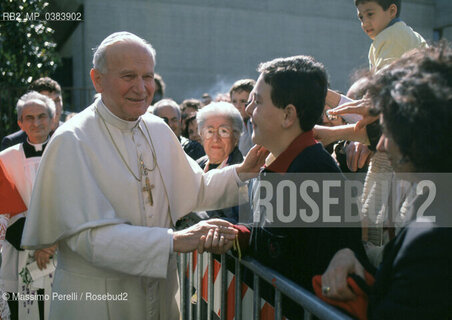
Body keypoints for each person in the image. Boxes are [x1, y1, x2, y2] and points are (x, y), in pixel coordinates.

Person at [21, 31, 266, 320]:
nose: (141, 88)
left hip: (159, 295)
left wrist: (242, 172)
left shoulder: (157, 129)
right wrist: (173, 240)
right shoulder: (72, 140)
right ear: (97, 79)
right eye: (128, 76)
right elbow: (88, 239)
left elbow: (195, 188)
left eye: (147, 76)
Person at [205, 56, 368, 318]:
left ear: (288, 114)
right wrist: (238, 236)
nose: (248, 110)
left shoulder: (315, 174)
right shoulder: (273, 164)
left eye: (257, 102)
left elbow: (321, 279)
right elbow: (281, 245)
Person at [319, 44, 452, 320]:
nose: (379, 145)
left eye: (386, 129)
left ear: (418, 132)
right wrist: (358, 267)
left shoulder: (431, 243)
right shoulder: (434, 203)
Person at [0, 91, 57, 320]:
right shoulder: (5, 159)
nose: (36, 123)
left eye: (42, 116)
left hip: (61, 251)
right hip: (19, 252)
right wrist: (35, 245)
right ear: (20, 123)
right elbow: (5, 210)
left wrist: (51, 244)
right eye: (29, 117)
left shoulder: (69, 153)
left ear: (52, 120)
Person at [355, 0, 427, 72]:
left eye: (370, 14)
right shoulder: (400, 33)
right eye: (361, 17)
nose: (364, 23)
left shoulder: (394, 37)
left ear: (392, 11)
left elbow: (384, 78)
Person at [1, 77, 64, 151]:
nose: (54, 107)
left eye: (57, 101)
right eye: (47, 102)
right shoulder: (12, 142)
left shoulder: (73, 134)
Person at [229, 79, 255, 156]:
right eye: (234, 101)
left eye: (243, 101)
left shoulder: (258, 123)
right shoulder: (236, 124)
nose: (238, 106)